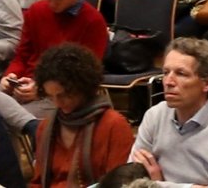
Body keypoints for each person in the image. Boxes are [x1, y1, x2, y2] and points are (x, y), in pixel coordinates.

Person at [129, 38, 208, 188]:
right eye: (166, 72)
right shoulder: (154, 116)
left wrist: (155, 184)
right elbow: (130, 181)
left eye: (181, 74)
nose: (168, 82)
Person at [30, 43, 135, 188]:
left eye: (65, 95)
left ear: (83, 87)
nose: (58, 103)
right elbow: (38, 182)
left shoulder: (114, 125)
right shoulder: (46, 127)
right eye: (51, 97)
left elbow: (118, 184)